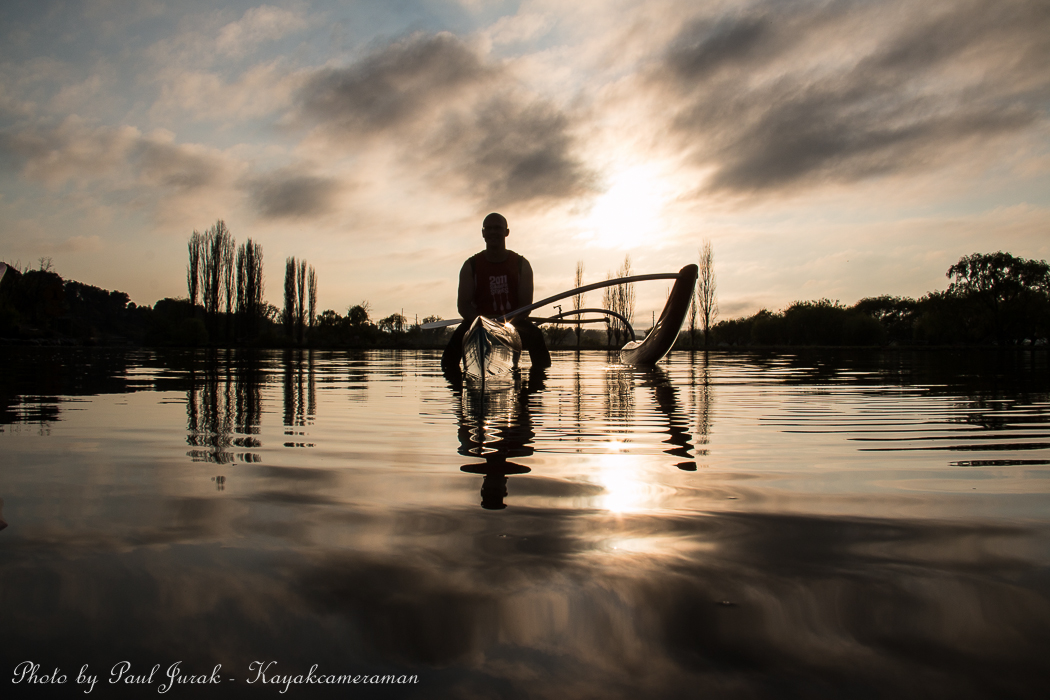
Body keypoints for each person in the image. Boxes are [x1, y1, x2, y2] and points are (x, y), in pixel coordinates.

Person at [442, 213, 551, 373]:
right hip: (478, 323)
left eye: (498, 228)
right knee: (449, 358)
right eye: (489, 228)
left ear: (506, 232)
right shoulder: (470, 265)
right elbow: (463, 306)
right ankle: (452, 377)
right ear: (483, 233)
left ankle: (539, 379)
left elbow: (525, 306)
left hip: (512, 323)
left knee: (536, 336)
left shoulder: (522, 265)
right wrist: (482, 323)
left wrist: (503, 324)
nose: (493, 232)